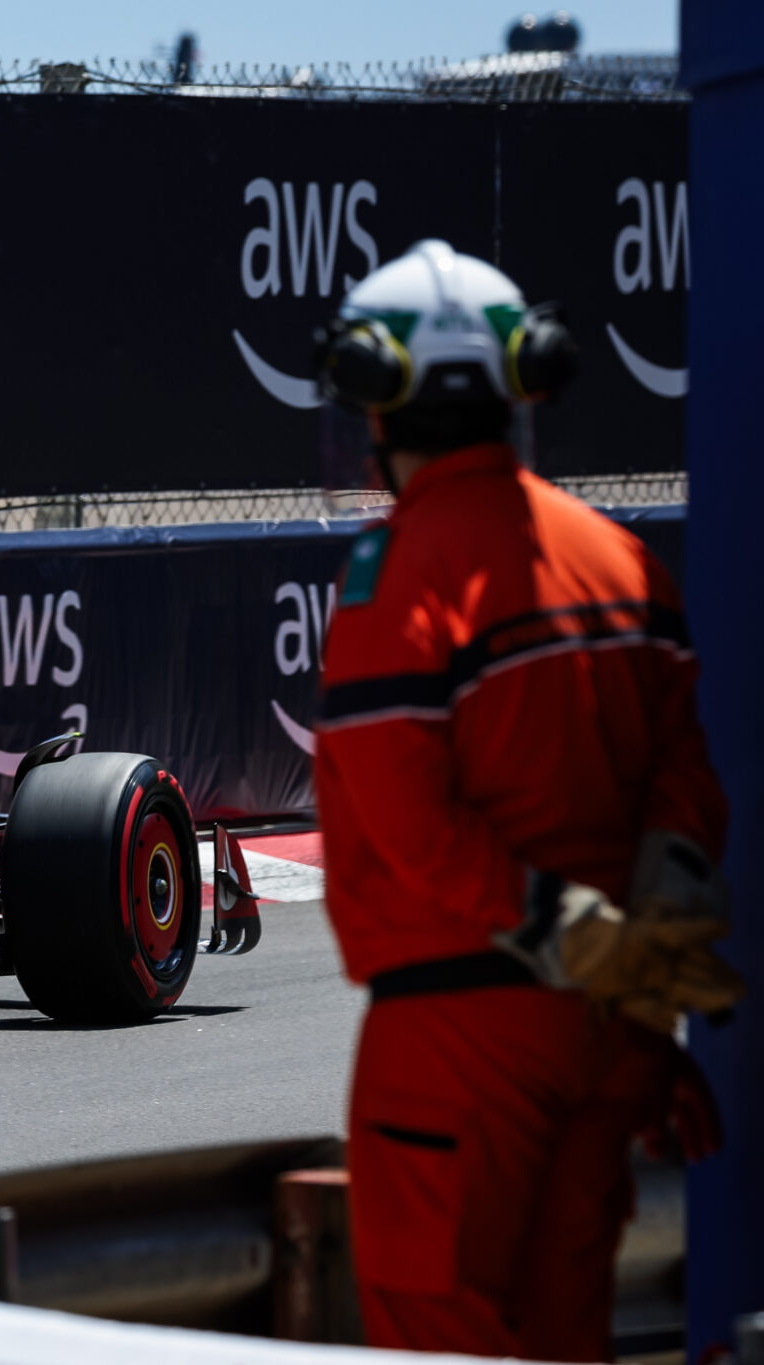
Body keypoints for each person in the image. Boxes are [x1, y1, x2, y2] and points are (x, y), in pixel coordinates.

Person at [309, 239, 744, 1359]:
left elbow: (408, 818)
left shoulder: (395, 573)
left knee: (436, 1331)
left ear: (374, 402)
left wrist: (560, 931)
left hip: (462, 1031)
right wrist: (639, 986)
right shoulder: (617, 559)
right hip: (614, 1034)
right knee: (569, 1334)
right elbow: (683, 787)